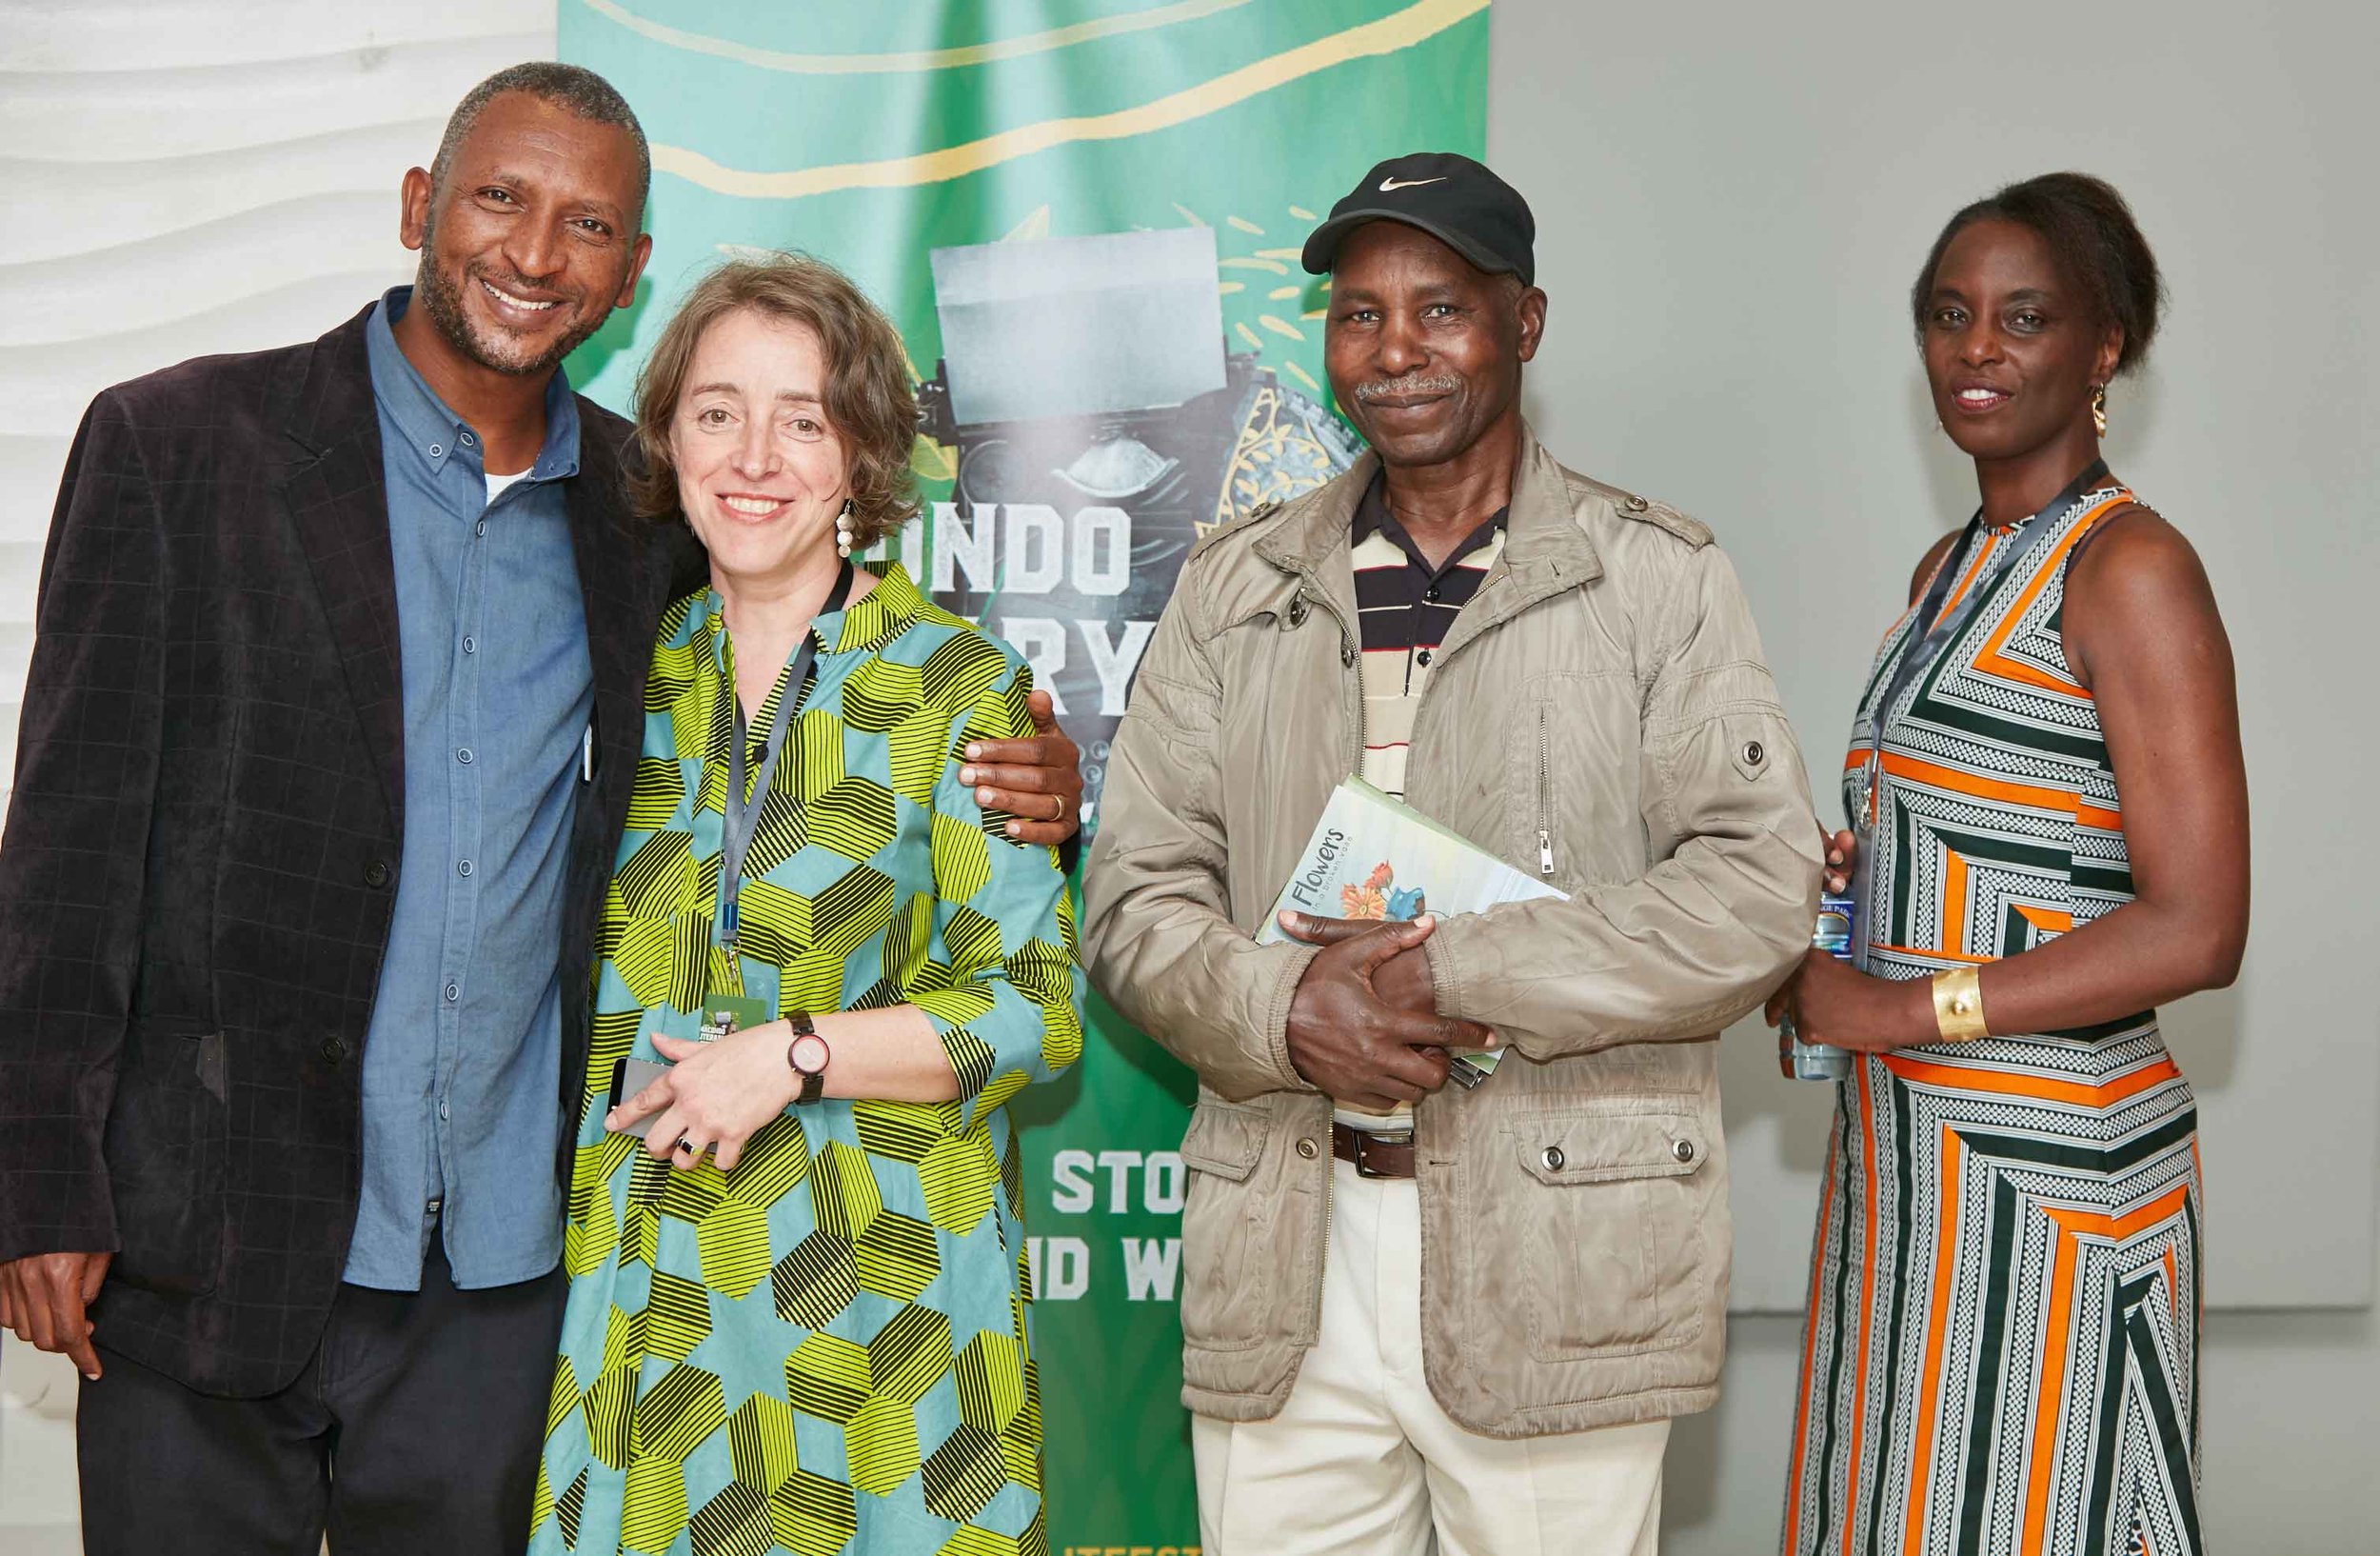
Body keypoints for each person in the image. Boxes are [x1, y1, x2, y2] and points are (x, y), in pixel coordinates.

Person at [0, 64, 1083, 1554]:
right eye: (500, 197)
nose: (531, 251)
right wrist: (42, 1174)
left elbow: (895, 781)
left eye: (587, 224)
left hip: (514, 1300)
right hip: (211, 1249)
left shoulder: (639, 522)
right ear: (418, 208)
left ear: (629, 273)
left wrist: (1039, 782)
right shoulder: (181, 448)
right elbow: (66, 848)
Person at [1082, 151, 1824, 1556]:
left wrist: (1458, 973)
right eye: (1359, 315)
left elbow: (1755, 887)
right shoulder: (1236, 585)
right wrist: (1285, 1011)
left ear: (1525, 323)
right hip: (1286, 1245)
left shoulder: (1654, 577)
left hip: (1561, 1250)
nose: (1395, 351)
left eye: (1440, 309)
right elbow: (1135, 890)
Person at [525, 255, 1083, 1556]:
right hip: (651, 1297)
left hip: (879, 1307)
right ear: (666, 434)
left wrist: (796, 1054)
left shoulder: (957, 685)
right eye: (718, 410)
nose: (755, 455)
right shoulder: (624, 670)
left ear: (864, 455)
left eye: (804, 416)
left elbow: (1031, 1012)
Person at [1765, 172, 2244, 1556]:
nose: (1978, 347)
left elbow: (2199, 924)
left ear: (2105, 350)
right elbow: (2007, 836)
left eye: (2024, 316)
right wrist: (1840, 901)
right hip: (1909, 1169)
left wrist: (1908, 1004)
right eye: (1948, 314)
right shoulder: (1950, 568)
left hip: (2049, 1181)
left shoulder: (2129, 568)